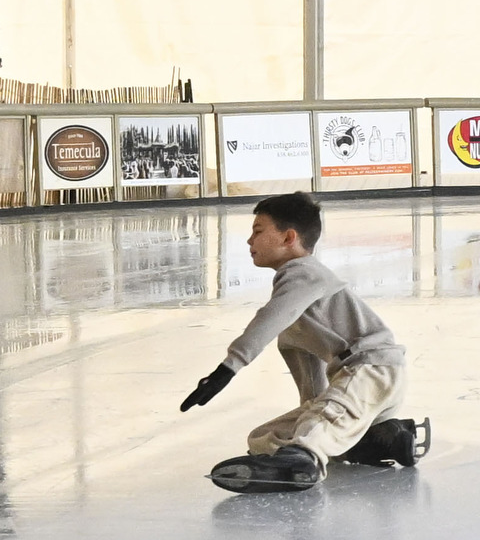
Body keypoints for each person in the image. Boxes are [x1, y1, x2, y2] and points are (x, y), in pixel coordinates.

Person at [180, 192, 424, 490]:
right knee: (263, 437)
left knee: (308, 438)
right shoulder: (296, 314)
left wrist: (227, 369)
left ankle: (302, 460)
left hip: (370, 370)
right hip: (359, 388)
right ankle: (382, 440)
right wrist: (311, 413)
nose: (249, 241)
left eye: (258, 231)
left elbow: (268, 318)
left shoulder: (304, 273)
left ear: (288, 238)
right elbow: (310, 386)